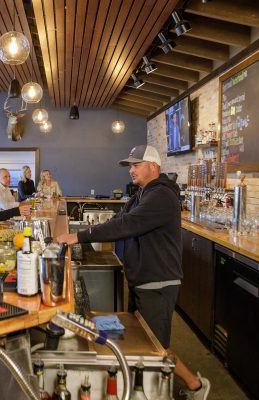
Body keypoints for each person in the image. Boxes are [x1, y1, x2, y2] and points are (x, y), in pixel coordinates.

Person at [56, 145, 211, 400]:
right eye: (130, 165)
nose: (131, 170)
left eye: (136, 165)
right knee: (144, 342)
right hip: (143, 278)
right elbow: (119, 220)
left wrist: (79, 236)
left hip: (158, 281)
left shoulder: (161, 196)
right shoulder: (143, 193)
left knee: (154, 347)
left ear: (153, 166)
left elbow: (128, 224)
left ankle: (193, 386)